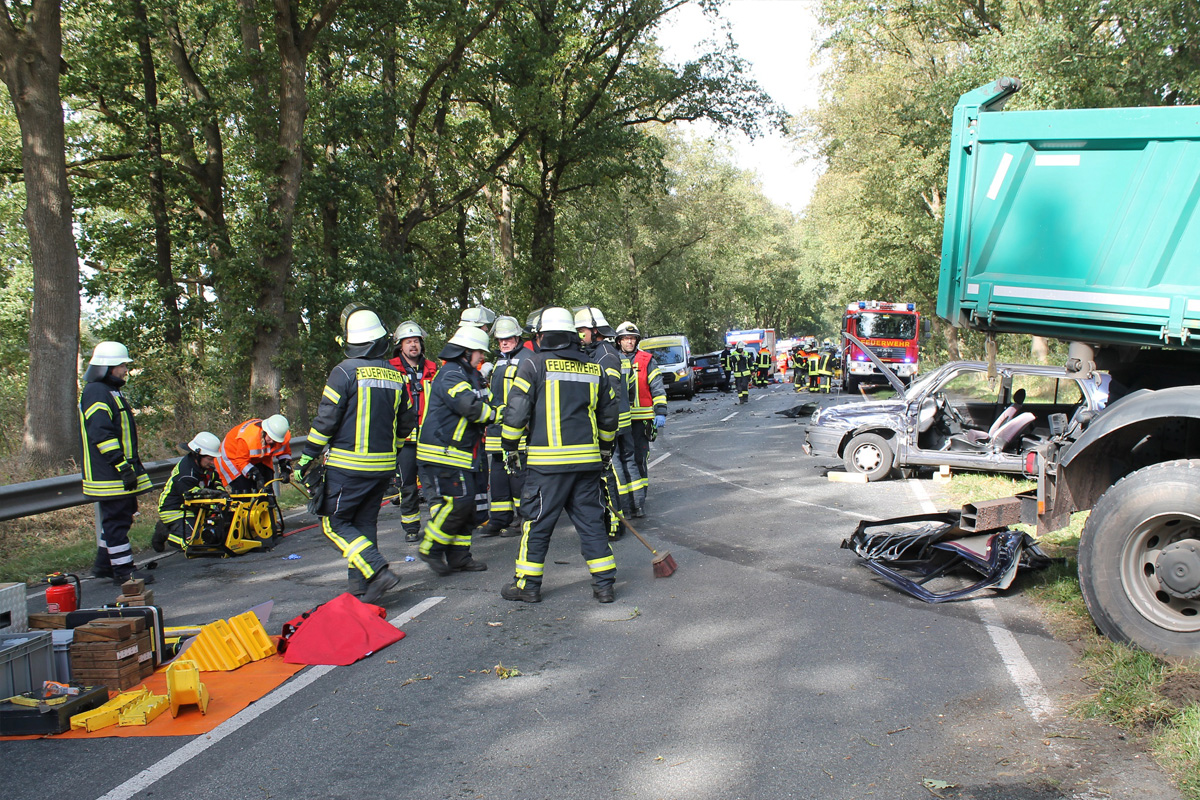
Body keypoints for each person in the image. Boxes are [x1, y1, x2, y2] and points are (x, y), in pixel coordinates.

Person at [499, 306, 620, 604]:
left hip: (546, 467)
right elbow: (609, 419)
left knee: (537, 525)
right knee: (592, 523)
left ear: (543, 336)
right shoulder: (596, 369)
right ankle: (604, 585)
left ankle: (527, 586)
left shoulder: (533, 365)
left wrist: (510, 448)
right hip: (587, 464)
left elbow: (516, 413)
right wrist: (605, 453)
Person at [298, 305, 416, 603]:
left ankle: (377, 572)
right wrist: (395, 451)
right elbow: (407, 422)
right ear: (380, 340)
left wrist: (305, 458)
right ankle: (361, 587)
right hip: (383, 467)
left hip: (348, 467)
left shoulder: (343, 372)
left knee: (333, 522)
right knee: (363, 524)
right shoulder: (395, 375)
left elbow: (326, 420)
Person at [415, 324, 496, 576]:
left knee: (468, 505)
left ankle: (460, 557)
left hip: (463, 453)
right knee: (459, 503)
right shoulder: (451, 374)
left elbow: (487, 401)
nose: (482, 357)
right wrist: (497, 414)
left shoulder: (473, 375)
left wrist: (499, 410)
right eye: (478, 352)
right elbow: (470, 407)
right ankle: (430, 546)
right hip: (442, 453)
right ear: (465, 351)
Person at [79, 341, 154, 586]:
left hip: (117, 470)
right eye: (122, 365)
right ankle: (123, 571)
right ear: (107, 367)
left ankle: (104, 564)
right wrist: (121, 466)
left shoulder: (109, 390)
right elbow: (102, 433)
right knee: (117, 520)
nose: (125, 370)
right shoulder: (97, 392)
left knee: (119, 515)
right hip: (110, 473)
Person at [575, 306, 635, 538]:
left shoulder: (606, 355)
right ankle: (604, 520)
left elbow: (610, 396)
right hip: (594, 425)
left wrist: (603, 428)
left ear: (595, 330)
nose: (579, 335)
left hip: (605, 426)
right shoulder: (594, 352)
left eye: (582, 331)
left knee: (606, 474)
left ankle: (613, 523)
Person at [389, 320, 438, 543]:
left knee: (433, 485)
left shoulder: (433, 369)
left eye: (416, 341)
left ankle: (439, 527)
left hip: (429, 438)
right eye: (409, 342)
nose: (413, 345)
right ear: (400, 345)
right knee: (407, 486)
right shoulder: (390, 369)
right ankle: (411, 527)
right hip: (404, 439)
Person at [479, 315, 528, 537]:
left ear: (517, 337)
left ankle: (522, 518)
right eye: (499, 340)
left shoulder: (527, 359)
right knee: (498, 475)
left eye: (507, 338)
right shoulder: (499, 360)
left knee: (517, 475)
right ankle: (499, 518)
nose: (503, 342)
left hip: (518, 429)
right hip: (497, 429)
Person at [615, 321, 666, 517]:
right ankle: (627, 502)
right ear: (619, 341)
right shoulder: (613, 359)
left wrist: (660, 411)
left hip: (642, 419)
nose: (629, 341)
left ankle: (639, 501)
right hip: (621, 420)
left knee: (639, 459)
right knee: (620, 462)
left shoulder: (647, 360)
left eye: (632, 338)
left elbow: (657, 388)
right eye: (626, 338)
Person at [152, 432, 220, 552]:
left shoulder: (203, 467)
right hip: (175, 509)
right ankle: (165, 531)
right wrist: (209, 494)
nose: (212, 462)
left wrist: (221, 493)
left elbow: (215, 481)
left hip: (193, 509)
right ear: (198, 455)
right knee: (195, 543)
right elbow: (191, 495)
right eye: (210, 459)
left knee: (216, 536)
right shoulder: (186, 473)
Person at [215, 415, 292, 492]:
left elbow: (284, 454)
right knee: (243, 490)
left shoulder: (282, 435)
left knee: (266, 489)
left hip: (257, 458)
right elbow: (241, 461)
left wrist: (285, 470)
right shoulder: (248, 438)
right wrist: (256, 476)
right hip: (231, 458)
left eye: (275, 440)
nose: (271, 441)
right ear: (265, 431)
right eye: (270, 437)